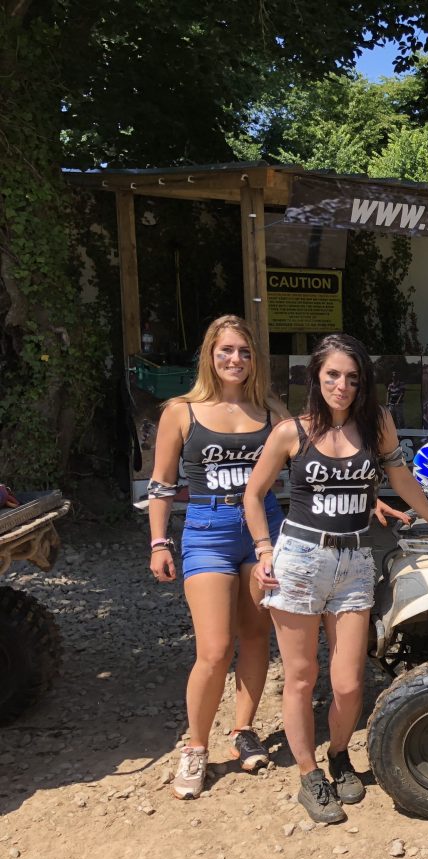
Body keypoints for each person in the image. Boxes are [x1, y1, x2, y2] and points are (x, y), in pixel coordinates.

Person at [244, 333, 428, 824]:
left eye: (351, 377)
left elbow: (402, 479)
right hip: (300, 560)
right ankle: (308, 774)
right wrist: (263, 549)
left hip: (354, 562)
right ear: (316, 378)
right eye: (332, 375)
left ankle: (339, 753)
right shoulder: (291, 432)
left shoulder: (377, 426)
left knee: (348, 684)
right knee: (301, 679)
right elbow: (253, 493)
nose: (341, 386)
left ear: (362, 382)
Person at [146, 315, 289, 800]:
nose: (235, 360)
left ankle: (243, 730)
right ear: (210, 355)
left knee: (255, 637)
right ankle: (195, 745)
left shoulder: (270, 408)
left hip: (264, 529)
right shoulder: (181, 411)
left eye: (244, 352)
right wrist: (159, 540)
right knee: (213, 649)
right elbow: (162, 483)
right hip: (207, 530)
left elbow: (314, 459)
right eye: (226, 350)